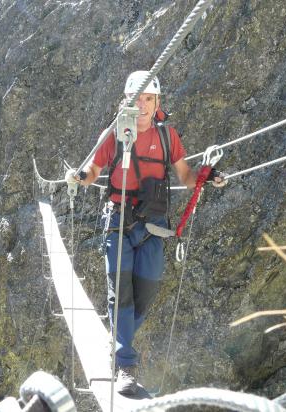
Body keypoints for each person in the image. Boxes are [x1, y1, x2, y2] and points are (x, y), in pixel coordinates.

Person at [66, 71, 225, 395]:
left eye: (148, 99)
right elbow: (94, 171)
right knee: (120, 293)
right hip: (119, 221)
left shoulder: (168, 137)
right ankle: (125, 365)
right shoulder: (112, 134)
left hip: (154, 225)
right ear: (126, 101)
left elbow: (185, 176)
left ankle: (118, 337)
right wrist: (79, 176)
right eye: (136, 98)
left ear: (156, 103)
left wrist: (208, 175)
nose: (141, 105)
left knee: (145, 296)